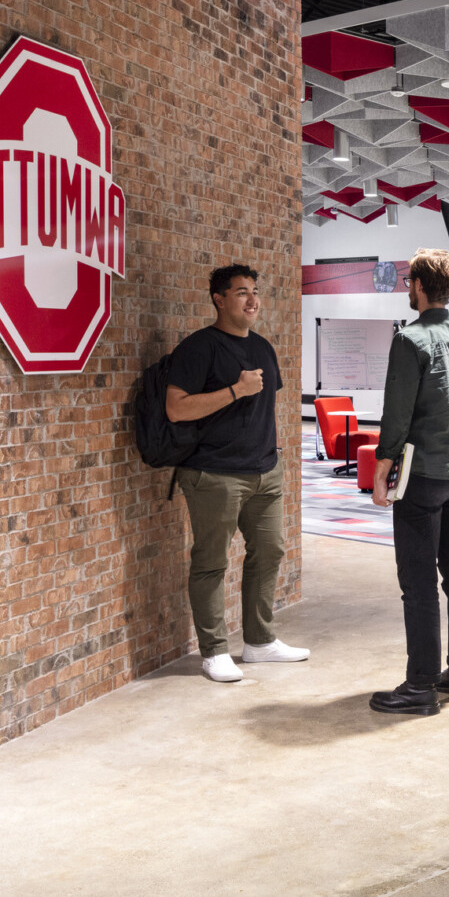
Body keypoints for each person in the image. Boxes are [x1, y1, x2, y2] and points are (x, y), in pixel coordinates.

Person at [166, 264, 308, 682]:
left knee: (270, 551)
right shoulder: (199, 348)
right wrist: (235, 390)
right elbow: (176, 408)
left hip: (265, 471)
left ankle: (260, 642)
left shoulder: (263, 347)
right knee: (211, 562)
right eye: (242, 292)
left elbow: (267, 409)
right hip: (215, 474)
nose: (252, 300)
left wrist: (274, 453)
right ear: (219, 299)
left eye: (255, 291)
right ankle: (213, 651)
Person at [368, 248, 449, 716]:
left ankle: (420, 686)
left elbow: (396, 417)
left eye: (408, 283)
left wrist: (382, 470)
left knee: (417, 583)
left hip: (420, 478)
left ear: (418, 286)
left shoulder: (410, 339)